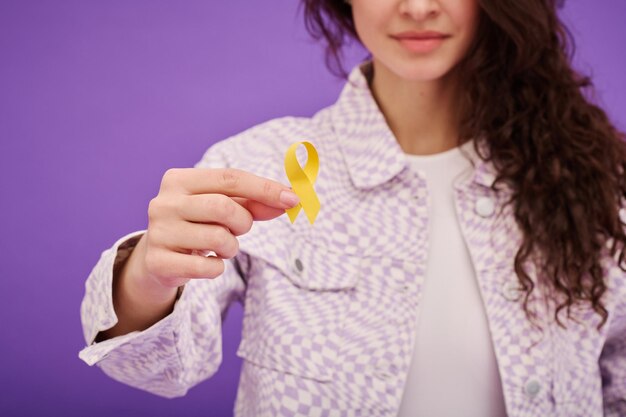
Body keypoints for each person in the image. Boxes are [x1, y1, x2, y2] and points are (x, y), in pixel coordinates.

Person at [78, 0, 626, 416]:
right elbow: (156, 367)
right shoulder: (263, 165)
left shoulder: (593, 181)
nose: (416, 6)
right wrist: (150, 273)